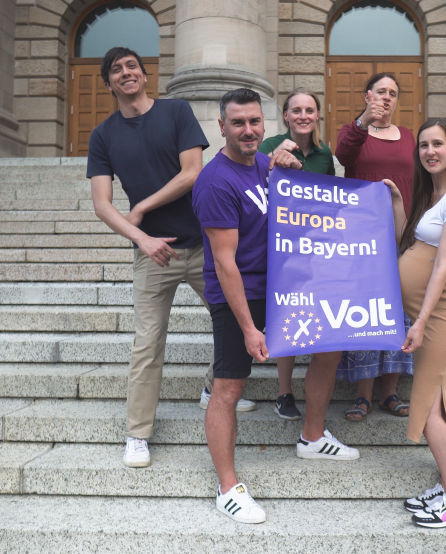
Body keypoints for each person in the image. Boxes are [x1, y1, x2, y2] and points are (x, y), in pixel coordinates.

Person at [192, 88, 360, 525]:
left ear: (265, 125)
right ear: (222, 128)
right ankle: (227, 487)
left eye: (254, 122)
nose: (247, 130)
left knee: (330, 345)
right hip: (240, 296)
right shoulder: (215, 181)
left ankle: (312, 435)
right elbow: (225, 265)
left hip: (281, 287)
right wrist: (249, 328)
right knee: (229, 387)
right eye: (237, 123)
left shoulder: (261, 165)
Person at [87, 47, 211, 469]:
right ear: (108, 84)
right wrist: (141, 235)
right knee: (147, 344)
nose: (126, 73)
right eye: (116, 69)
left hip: (200, 243)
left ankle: (214, 385)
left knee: (240, 316)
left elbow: (192, 171)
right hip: (152, 254)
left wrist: (140, 206)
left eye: (131, 67)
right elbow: (103, 204)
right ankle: (137, 434)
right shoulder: (103, 135)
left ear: (144, 74)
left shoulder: (176, 112)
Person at [386, 117, 446, 528]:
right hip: (433, 314)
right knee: (443, 401)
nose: (429, 151)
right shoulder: (435, 193)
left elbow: (442, 264)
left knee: (426, 406)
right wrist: (395, 203)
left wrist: (421, 320)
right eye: (423, 145)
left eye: (437, 144)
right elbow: (408, 242)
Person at [334, 73, 414, 421]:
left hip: (401, 236)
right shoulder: (353, 132)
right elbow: (343, 153)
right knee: (367, 314)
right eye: (380, 92)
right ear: (368, 96)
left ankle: (391, 392)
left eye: (393, 93)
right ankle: (362, 395)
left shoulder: (410, 137)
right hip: (360, 240)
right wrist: (365, 121)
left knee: (398, 313)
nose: (386, 98)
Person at [258, 87, 335, 421]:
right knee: (286, 316)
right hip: (281, 247)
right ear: (286, 116)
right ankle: (284, 392)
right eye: (296, 110)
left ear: (318, 116)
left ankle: (315, 391)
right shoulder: (268, 146)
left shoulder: (324, 154)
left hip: (315, 247)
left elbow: (332, 197)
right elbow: (256, 182)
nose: (303, 116)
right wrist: (279, 156)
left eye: (309, 110)